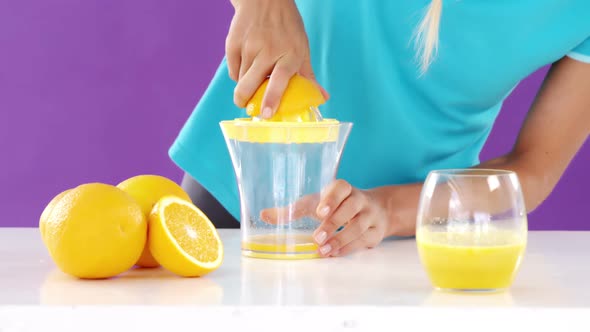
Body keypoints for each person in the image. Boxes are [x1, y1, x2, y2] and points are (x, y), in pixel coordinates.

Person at [170, 0, 590, 257]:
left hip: (408, 238)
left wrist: (387, 210)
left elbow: (533, 168)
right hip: (241, 195)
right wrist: (263, 5)